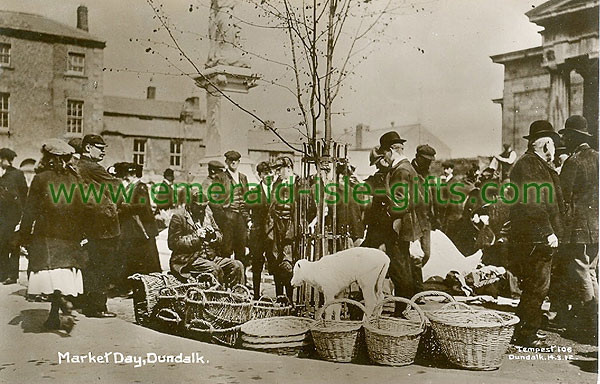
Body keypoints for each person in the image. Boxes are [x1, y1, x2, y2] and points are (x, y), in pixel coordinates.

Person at [19, 139, 85, 333]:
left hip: (46, 234)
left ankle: (58, 308)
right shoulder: (75, 178)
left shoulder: (41, 178)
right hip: (70, 235)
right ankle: (55, 313)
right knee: (63, 275)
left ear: (47, 157)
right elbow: (82, 207)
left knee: (50, 275)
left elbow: (30, 210)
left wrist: (23, 235)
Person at [508, 120, 564, 348]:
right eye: (552, 144)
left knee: (535, 285)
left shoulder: (534, 163)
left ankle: (525, 329)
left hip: (535, 236)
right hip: (536, 237)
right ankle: (526, 335)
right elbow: (534, 203)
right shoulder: (530, 165)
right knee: (537, 286)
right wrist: (548, 232)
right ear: (546, 144)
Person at [559, 115, 599, 334]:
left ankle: (589, 321)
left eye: (567, 136)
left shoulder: (573, 161)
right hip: (597, 225)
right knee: (591, 271)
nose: (565, 140)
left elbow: (563, 195)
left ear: (574, 137)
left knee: (581, 271)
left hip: (579, 226)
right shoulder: (598, 157)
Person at [75, 134, 120, 318]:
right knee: (103, 267)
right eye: (99, 148)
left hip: (89, 225)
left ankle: (89, 305)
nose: (103, 151)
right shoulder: (94, 167)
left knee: (91, 266)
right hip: (104, 227)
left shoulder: (79, 167)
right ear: (87, 148)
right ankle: (98, 307)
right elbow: (116, 188)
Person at [379, 131, 424, 312]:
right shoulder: (405, 168)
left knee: (400, 269)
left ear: (391, 150)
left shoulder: (401, 171)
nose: (385, 158)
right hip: (405, 225)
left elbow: (400, 203)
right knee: (403, 267)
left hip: (399, 226)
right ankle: (405, 307)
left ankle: (402, 310)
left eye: (384, 154)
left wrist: (387, 212)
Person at [168, 186, 244, 287]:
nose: (201, 211)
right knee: (214, 269)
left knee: (237, 265)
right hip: (189, 260)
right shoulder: (179, 217)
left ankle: (236, 298)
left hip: (210, 257)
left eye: (204, 207)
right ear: (191, 205)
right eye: (198, 207)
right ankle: (218, 299)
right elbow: (173, 243)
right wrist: (196, 237)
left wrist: (213, 235)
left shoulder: (207, 215)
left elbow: (219, 235)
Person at [269, 156, 316, 300]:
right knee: (275, 260)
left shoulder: (299, 184)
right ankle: (279, 296)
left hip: (292, 228)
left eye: (280, 169)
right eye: (276, 170)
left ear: (289, 168)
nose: (278, 172)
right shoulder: (277, 184)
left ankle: (289, 298)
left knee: (288, 262)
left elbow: (311, 208)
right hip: (277, 228)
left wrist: (301, 223)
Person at [115, 162, 161, 294]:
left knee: (146, 258)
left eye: (128, 175)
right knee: (135, 256)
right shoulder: (131, 186)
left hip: (142, 227)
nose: (126, 177)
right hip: (134, 227)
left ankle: (150, 285)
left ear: (134, 174)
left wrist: (124, 207)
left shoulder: (140, 187)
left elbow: (141, 206)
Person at [0, 148, 28, 285]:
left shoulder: (17, 174)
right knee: (2, 245)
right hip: (2, 216)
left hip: (13, 216)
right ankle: (3, 273)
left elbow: (24, 195)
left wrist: (22, 215)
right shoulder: (3, 175)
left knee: (13, 245)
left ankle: (12, 275)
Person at [247, 161, 275, 299]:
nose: (269, 175)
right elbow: (244, 207)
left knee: (274, 263)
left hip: (273, 234)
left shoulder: (278, 191)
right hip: (258, 235)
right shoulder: (254, 193)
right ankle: (256, 295)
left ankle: (279, 296)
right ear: (260, 176)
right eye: (265, 173)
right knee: (257, 264)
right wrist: (248, 221)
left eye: (271, 172)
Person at [219, 151, 250, 269]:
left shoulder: (243, 178)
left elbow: (246, 198)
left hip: (241, 218)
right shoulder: (221, 177)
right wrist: (223, 216)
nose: (233, 162)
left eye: (236, 160)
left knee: (241, 249)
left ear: (239, 162)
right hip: (227, 217)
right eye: (230, 160)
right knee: (226, 249)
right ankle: (225, 280)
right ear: (226, 162)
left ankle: (241, 280)